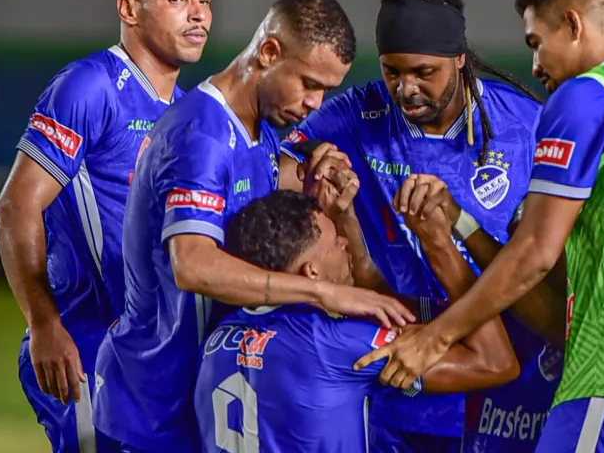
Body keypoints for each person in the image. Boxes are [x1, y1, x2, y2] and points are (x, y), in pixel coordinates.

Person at [357, 0, 604, 452]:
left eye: (536, 43)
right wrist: (463, 222)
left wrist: (436, 338)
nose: (534, 67)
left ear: (573, 24)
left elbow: (535, 252)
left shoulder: (588, 98)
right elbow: (567, 294)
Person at [92, 0, 415, 453]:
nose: (315, 104)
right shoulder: (200, 135)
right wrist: (323, 290)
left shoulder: (259, 134)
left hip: (194, 402)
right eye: (308, 83)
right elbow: (193, 265)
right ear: (268, 52)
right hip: (149, 409)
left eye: (326, 90)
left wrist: (314, 193)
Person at [278, 0, 550, 452]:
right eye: (391, 71)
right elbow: (274, 165)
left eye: (423, 72)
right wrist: (311, 174)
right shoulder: (357, 114)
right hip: (395, 377)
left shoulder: (525, 124)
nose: (405, 90)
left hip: (506, 375)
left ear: (459, 58)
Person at [0, 0, 211, 453]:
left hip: (152, 359)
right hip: (86, 347)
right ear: (128, 8)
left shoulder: (186, 112)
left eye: (205, 0)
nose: (197, 16)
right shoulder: (90, 87)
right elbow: (16, 204)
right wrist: (43, 322)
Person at [195, 189, 520, 452]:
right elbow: (496, 363)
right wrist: (440, 246)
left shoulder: (216, 338)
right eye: (335, 241)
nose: (344, 243)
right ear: (312, 273)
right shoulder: (337, 343)